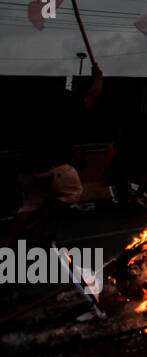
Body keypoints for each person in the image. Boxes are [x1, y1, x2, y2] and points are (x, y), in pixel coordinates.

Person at [12, 65, 104, 242]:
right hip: (50, 165)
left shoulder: (30, 100)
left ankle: (11, 241)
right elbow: (92, 98)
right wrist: (98, 77)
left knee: (32, 203)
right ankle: (37, 223)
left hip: (26, 166)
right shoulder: (63, 99)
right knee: (73, 192)